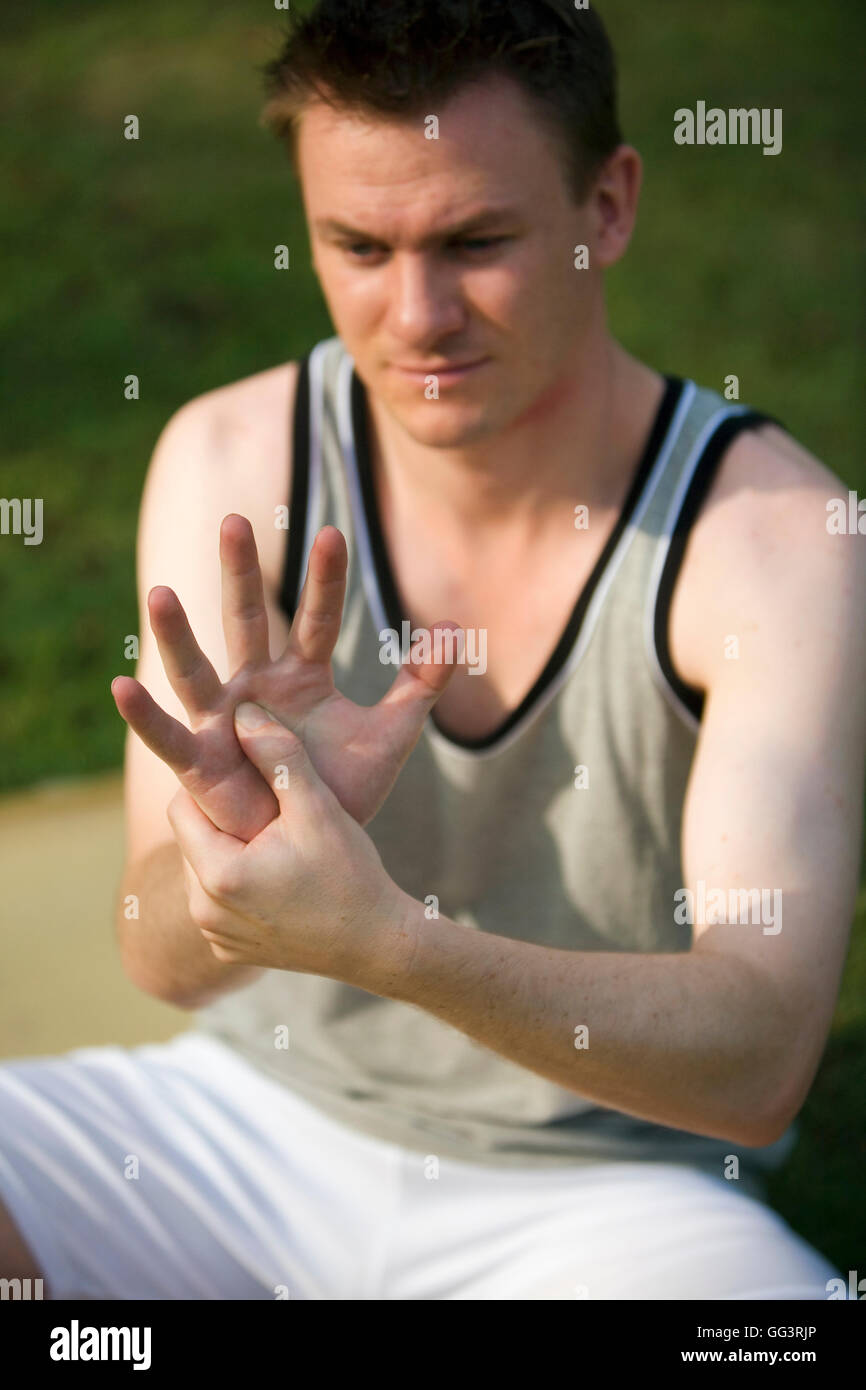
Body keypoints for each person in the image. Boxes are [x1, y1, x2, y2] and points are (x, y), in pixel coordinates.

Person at [1, 0, 862, 1301]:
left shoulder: (777, 538)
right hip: (242, 1120)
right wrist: (220, 853)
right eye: (356, 243)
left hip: (608, 1193)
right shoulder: (236, 459)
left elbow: (753, 1066)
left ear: (608, 206)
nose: (416, 314)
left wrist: (383, 937)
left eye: (475, 240)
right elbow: (157, 958)